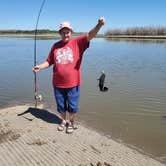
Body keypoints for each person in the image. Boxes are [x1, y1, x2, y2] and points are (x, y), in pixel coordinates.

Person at [33, 17, 105, 133]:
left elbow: (91, 35)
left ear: (71, 32)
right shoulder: (55, 46)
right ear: (60, 33)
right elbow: (49, 61)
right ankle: (62, 121)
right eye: (63, 32)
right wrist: (39, 67)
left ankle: (71, 123)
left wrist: (99, 25)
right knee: (61, 106)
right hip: (57, 83)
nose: (65, 34)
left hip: (73, 83)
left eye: (67, 32)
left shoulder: (78, 42)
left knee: (72, 106)